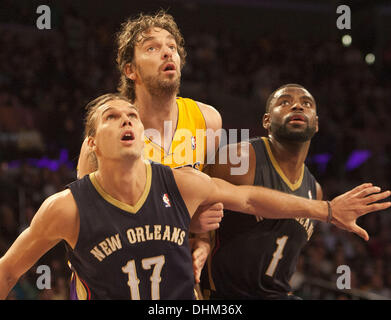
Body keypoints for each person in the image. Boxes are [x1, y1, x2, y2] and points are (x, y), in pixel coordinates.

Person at [0, 94, 390, 300]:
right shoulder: (66, 207)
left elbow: (250, 199)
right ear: (92, 144)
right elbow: (7, 271)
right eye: (112, 117)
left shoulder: (180, 182)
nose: (127, 121)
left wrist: (325, 209)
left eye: (132, 117)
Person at [77, 10, 223, 287]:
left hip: (177, 281)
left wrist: (203, 241)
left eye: (172, 47)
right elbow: (89, 227)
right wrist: (182, 222)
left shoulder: (208, 120)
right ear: (130, 70)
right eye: (152, 48)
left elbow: (210, 203)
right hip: (119, 281)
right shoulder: (107, 133)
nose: (167, 54)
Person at [200, 83, 387, 299]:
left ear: (316, 124)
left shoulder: (314, 189)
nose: (297, 106)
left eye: (306, 104)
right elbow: (195, 214)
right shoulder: (240, 158)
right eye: (285, 102)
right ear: (266, 121)